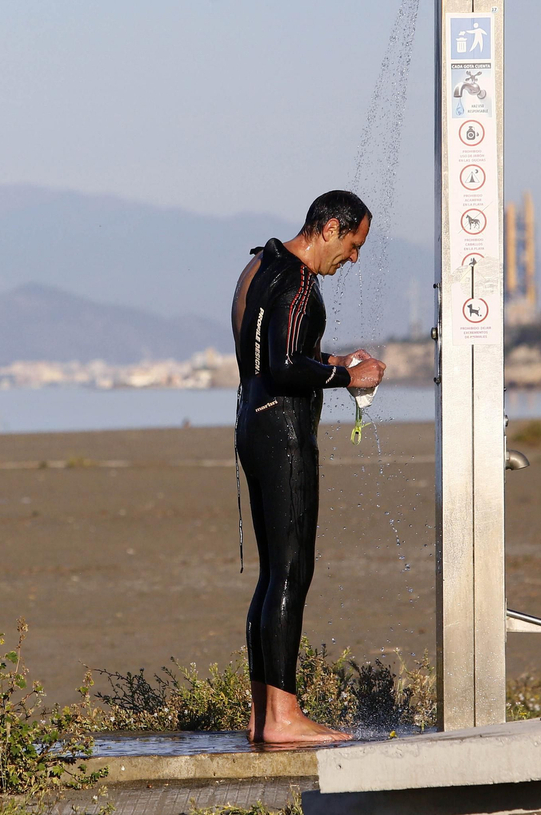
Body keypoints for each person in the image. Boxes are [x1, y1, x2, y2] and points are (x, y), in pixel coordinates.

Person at [230, 190, 386, 744]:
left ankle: (262, 714)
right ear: (328, 229)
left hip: (252, 424)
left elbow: (275, 357)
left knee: (274, 574)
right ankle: (283, 718)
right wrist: (350, 378)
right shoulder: (298, 281)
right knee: (293, 573)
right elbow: (284, 362)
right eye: (353, 243)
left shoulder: (260, 266)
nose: (354, 257)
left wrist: (333, 360)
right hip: (284, 436)